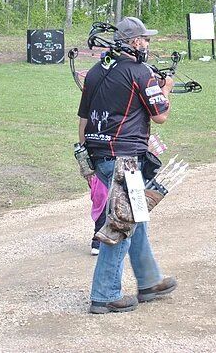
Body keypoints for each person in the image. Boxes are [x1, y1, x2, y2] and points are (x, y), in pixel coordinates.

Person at [79, 17, 177, 314]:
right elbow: (160, 115)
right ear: (134, 42)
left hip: (101, 157)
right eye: (145, 39)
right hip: (125, 159)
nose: (147, 44)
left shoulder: (96, 72)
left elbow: (83, 121)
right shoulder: (140, 72)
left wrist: (87, 163)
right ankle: (105, 294)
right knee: (122, 224)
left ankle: (149, 281)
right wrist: (167, 88)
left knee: (136, 216)